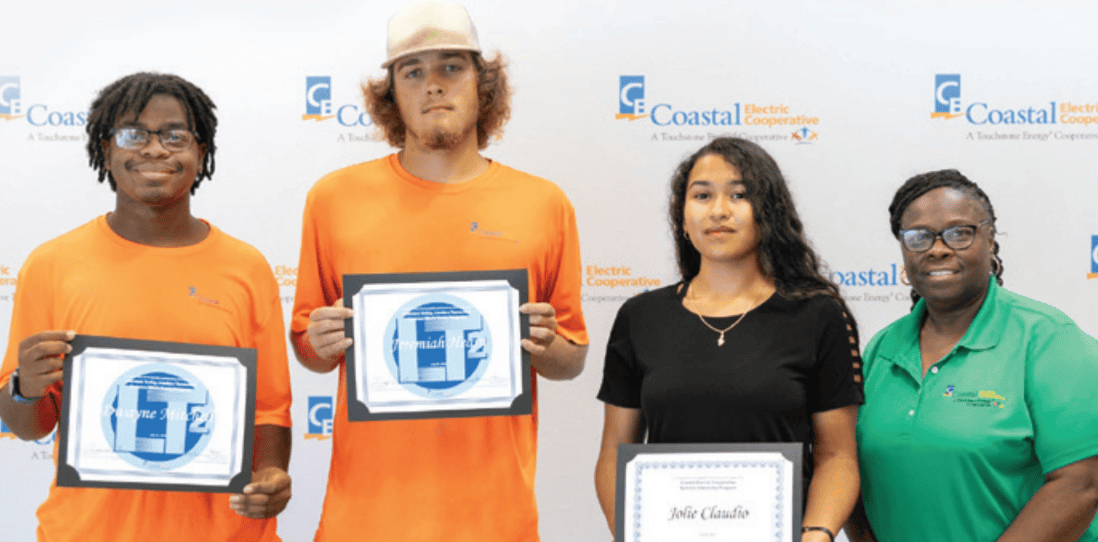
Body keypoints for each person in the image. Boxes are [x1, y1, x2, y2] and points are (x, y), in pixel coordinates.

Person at [289, 2, 588, 541]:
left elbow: (571, 358)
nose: (433, 85)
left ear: (483, 84)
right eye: (413, 71)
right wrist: (320, 341)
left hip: (496, 521)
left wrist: (549, 346)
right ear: (390, 95)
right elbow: (308, 352)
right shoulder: (333, 199)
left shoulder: (544, 204)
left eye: (451, 66)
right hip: (363, 521)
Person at [0, 72, 293, 542]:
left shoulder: (247, 267)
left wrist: (273, 475)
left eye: (175, 135)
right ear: (106, 148)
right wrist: (25, 389)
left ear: (201, 151)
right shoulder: (51, 265)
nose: (155, 149)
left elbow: (269, 412)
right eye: (133, 134)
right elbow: (30, 426)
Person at [594, 137, 864, 542]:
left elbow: (838, 457)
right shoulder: (640, 317)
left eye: (739, 195)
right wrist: (630, 534)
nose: (718, 210)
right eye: (702, 195)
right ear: (682, 218)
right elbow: (615, 451)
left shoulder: (819, 315)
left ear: (767, 213)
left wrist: (815, 535)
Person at [848, 170, 1098, 542]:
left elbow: (1081, 484)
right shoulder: (881, 350)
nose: (938, 248)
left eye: (959, 233)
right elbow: (847, 471)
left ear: (990, 238)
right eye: (918, 237)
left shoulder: (1048, 339)